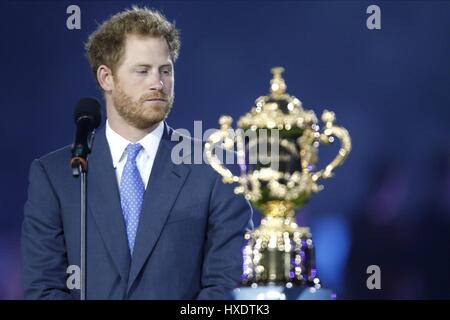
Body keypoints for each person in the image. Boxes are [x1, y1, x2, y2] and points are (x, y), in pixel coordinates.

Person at [21, 6, 252, 300]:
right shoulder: (54, 175)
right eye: (142, 71)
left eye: (165, 71)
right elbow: (43, 289)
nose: (158, 83)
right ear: (106, 78)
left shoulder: (216, 168)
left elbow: (227, 289)